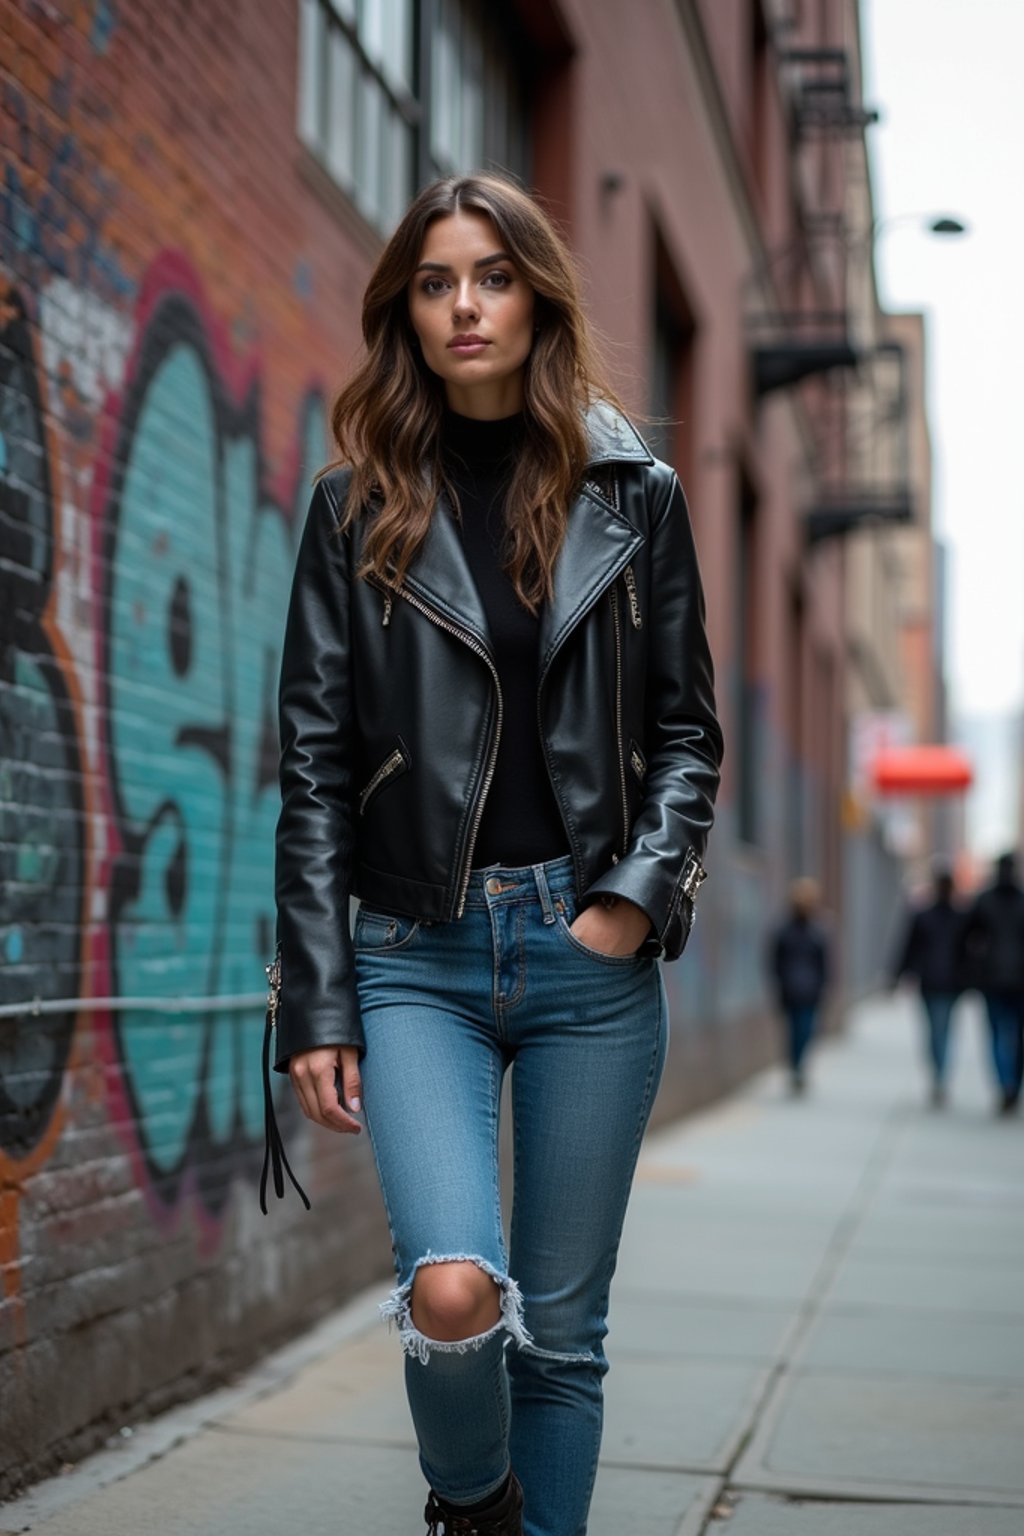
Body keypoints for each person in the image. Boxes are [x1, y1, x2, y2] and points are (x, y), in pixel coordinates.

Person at [262, 173, 723, 1536]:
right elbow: (312, 771)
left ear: (538, 298)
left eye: (494, 276)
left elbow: (688, 730)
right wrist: (316, 998)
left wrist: (636, 902)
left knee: (564, 1340)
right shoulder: (357, 510)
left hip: (591, 956)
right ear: (406, 309)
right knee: (453, 1294)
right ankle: (475, 1505)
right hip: (419, 957)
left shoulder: (633, 495)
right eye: (436, 281)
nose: (466, 305)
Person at [890, 866, 966, 1107]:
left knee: (938, 1029)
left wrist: (898, 975)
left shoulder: (955, 916)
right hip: (938, 982)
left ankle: (939, 1075)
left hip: (943, 982)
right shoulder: (942, 916)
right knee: (940, 1029)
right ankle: (940, 1075)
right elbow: (908, 947)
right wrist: (898, 974)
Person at [961, 851, 1024, 1115]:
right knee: (1017, 1035)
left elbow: (966, 936)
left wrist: (975, 964)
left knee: (998, 1032)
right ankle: (1012, 1085)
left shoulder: (985, 900)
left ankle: (1005, 1083)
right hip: (1018, 979)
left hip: (993, 979)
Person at [768, 878, 829, 1094]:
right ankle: (796, 1066)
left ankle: (798, 1066)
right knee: (795, 1031)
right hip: (792, 991)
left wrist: (824, 987)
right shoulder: (785, 932)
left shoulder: (817, 933)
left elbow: (824, 964)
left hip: (809, 992)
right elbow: (775, 961)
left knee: (805, 1031)